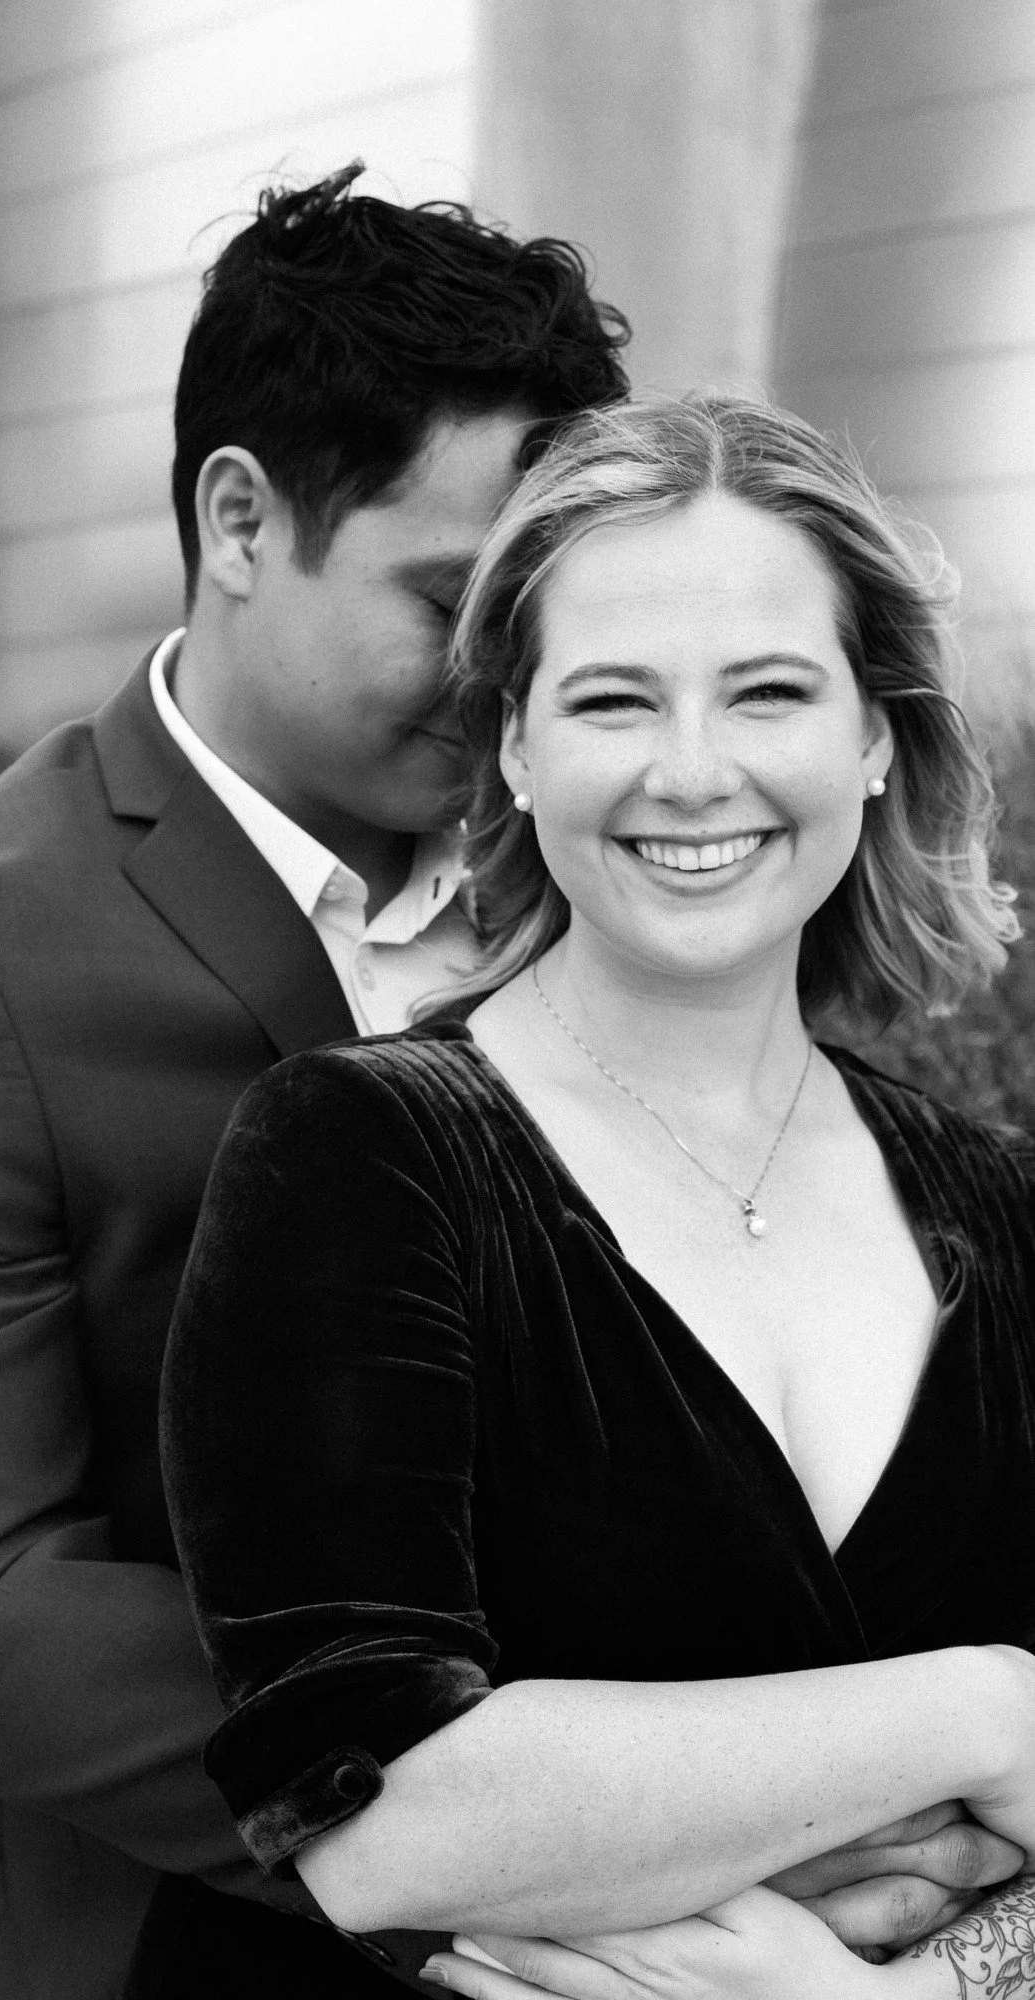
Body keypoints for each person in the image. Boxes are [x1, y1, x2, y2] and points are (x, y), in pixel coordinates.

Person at [0, 165, 631, 2000]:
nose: (510, 686)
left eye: (540, 618)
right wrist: (543, 1817)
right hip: (159, 1946)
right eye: (450, 601)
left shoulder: (615, 873)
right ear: (240, 518)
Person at [160, 393, 1035, 1999]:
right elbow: (372, 1811)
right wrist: (989, 1713)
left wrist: (914, 1996)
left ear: (872, 734)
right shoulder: (357, 1159)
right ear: (517, 741)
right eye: (615, 700)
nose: (691, 774)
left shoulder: (1007, 1205)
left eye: (768, 692)